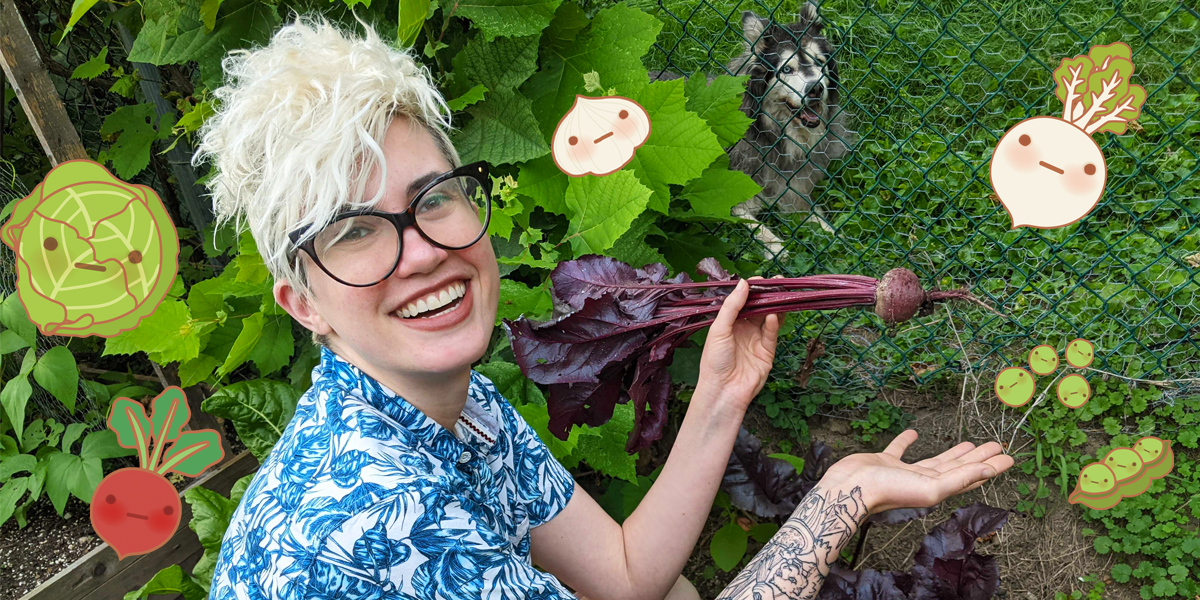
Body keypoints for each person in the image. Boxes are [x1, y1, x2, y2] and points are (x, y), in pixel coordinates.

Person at [197, 16, 1014, 600]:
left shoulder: (455, 410)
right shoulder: (376, 512)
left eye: (434, 199)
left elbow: (623, 575)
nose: (421, 251)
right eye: (355, 233)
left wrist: (723, 393)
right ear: (302, 303)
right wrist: (841, 496)